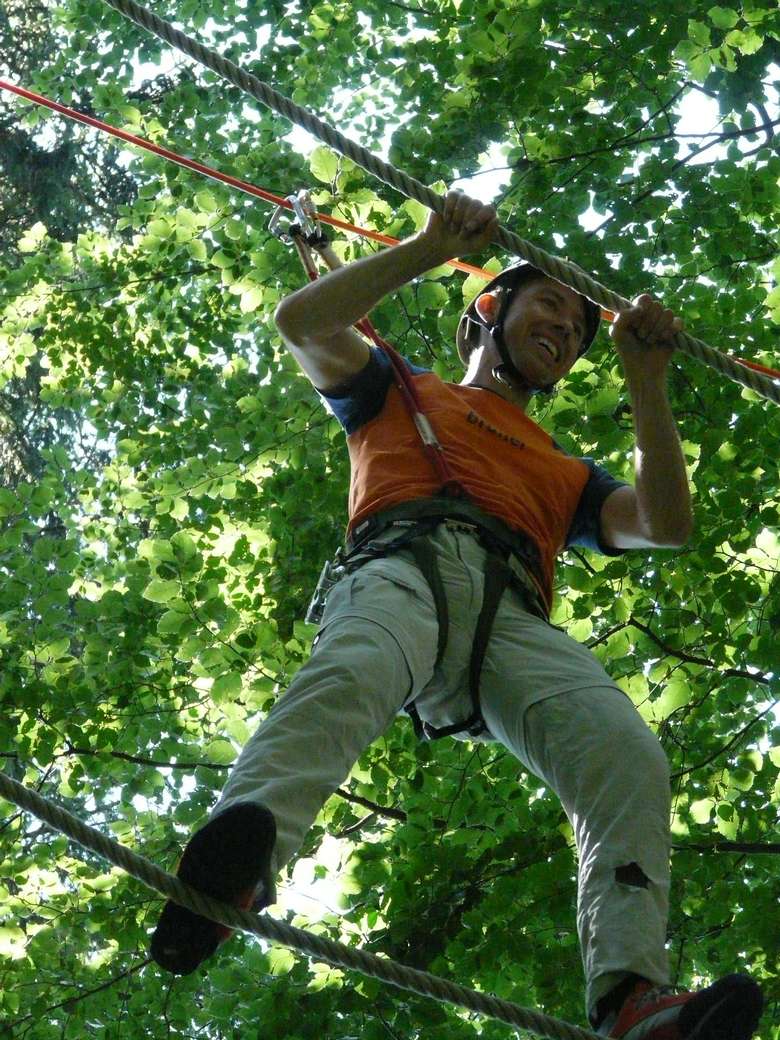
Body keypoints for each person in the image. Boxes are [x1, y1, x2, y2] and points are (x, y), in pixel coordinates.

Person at [151, 190, 763, 1040]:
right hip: (403, 565)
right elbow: (304, 321)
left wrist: (645, 380)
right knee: (354, 669)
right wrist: (430, 245)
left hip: (512, 614)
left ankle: (632, 998)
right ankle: (235, 871)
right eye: (549, 302)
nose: (565, 327)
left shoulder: (564, 472)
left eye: (580, 330)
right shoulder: (397, 388)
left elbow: (667, 524)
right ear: (488, 311)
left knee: (627, 754)